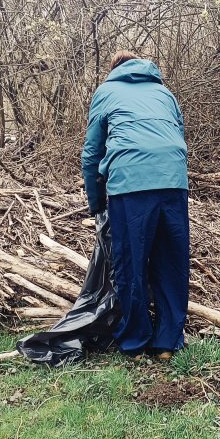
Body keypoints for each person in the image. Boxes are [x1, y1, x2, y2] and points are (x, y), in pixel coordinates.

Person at [81, 50, 189, 361]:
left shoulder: (106, 91)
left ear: (113, 69)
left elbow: (91, 153)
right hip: (173, 182)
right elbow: (178, 136)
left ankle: (135, 342)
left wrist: (96, 202)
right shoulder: (165, 93)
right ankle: (168, 342)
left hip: (130, 184)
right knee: (171, 263)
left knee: (131, 263)